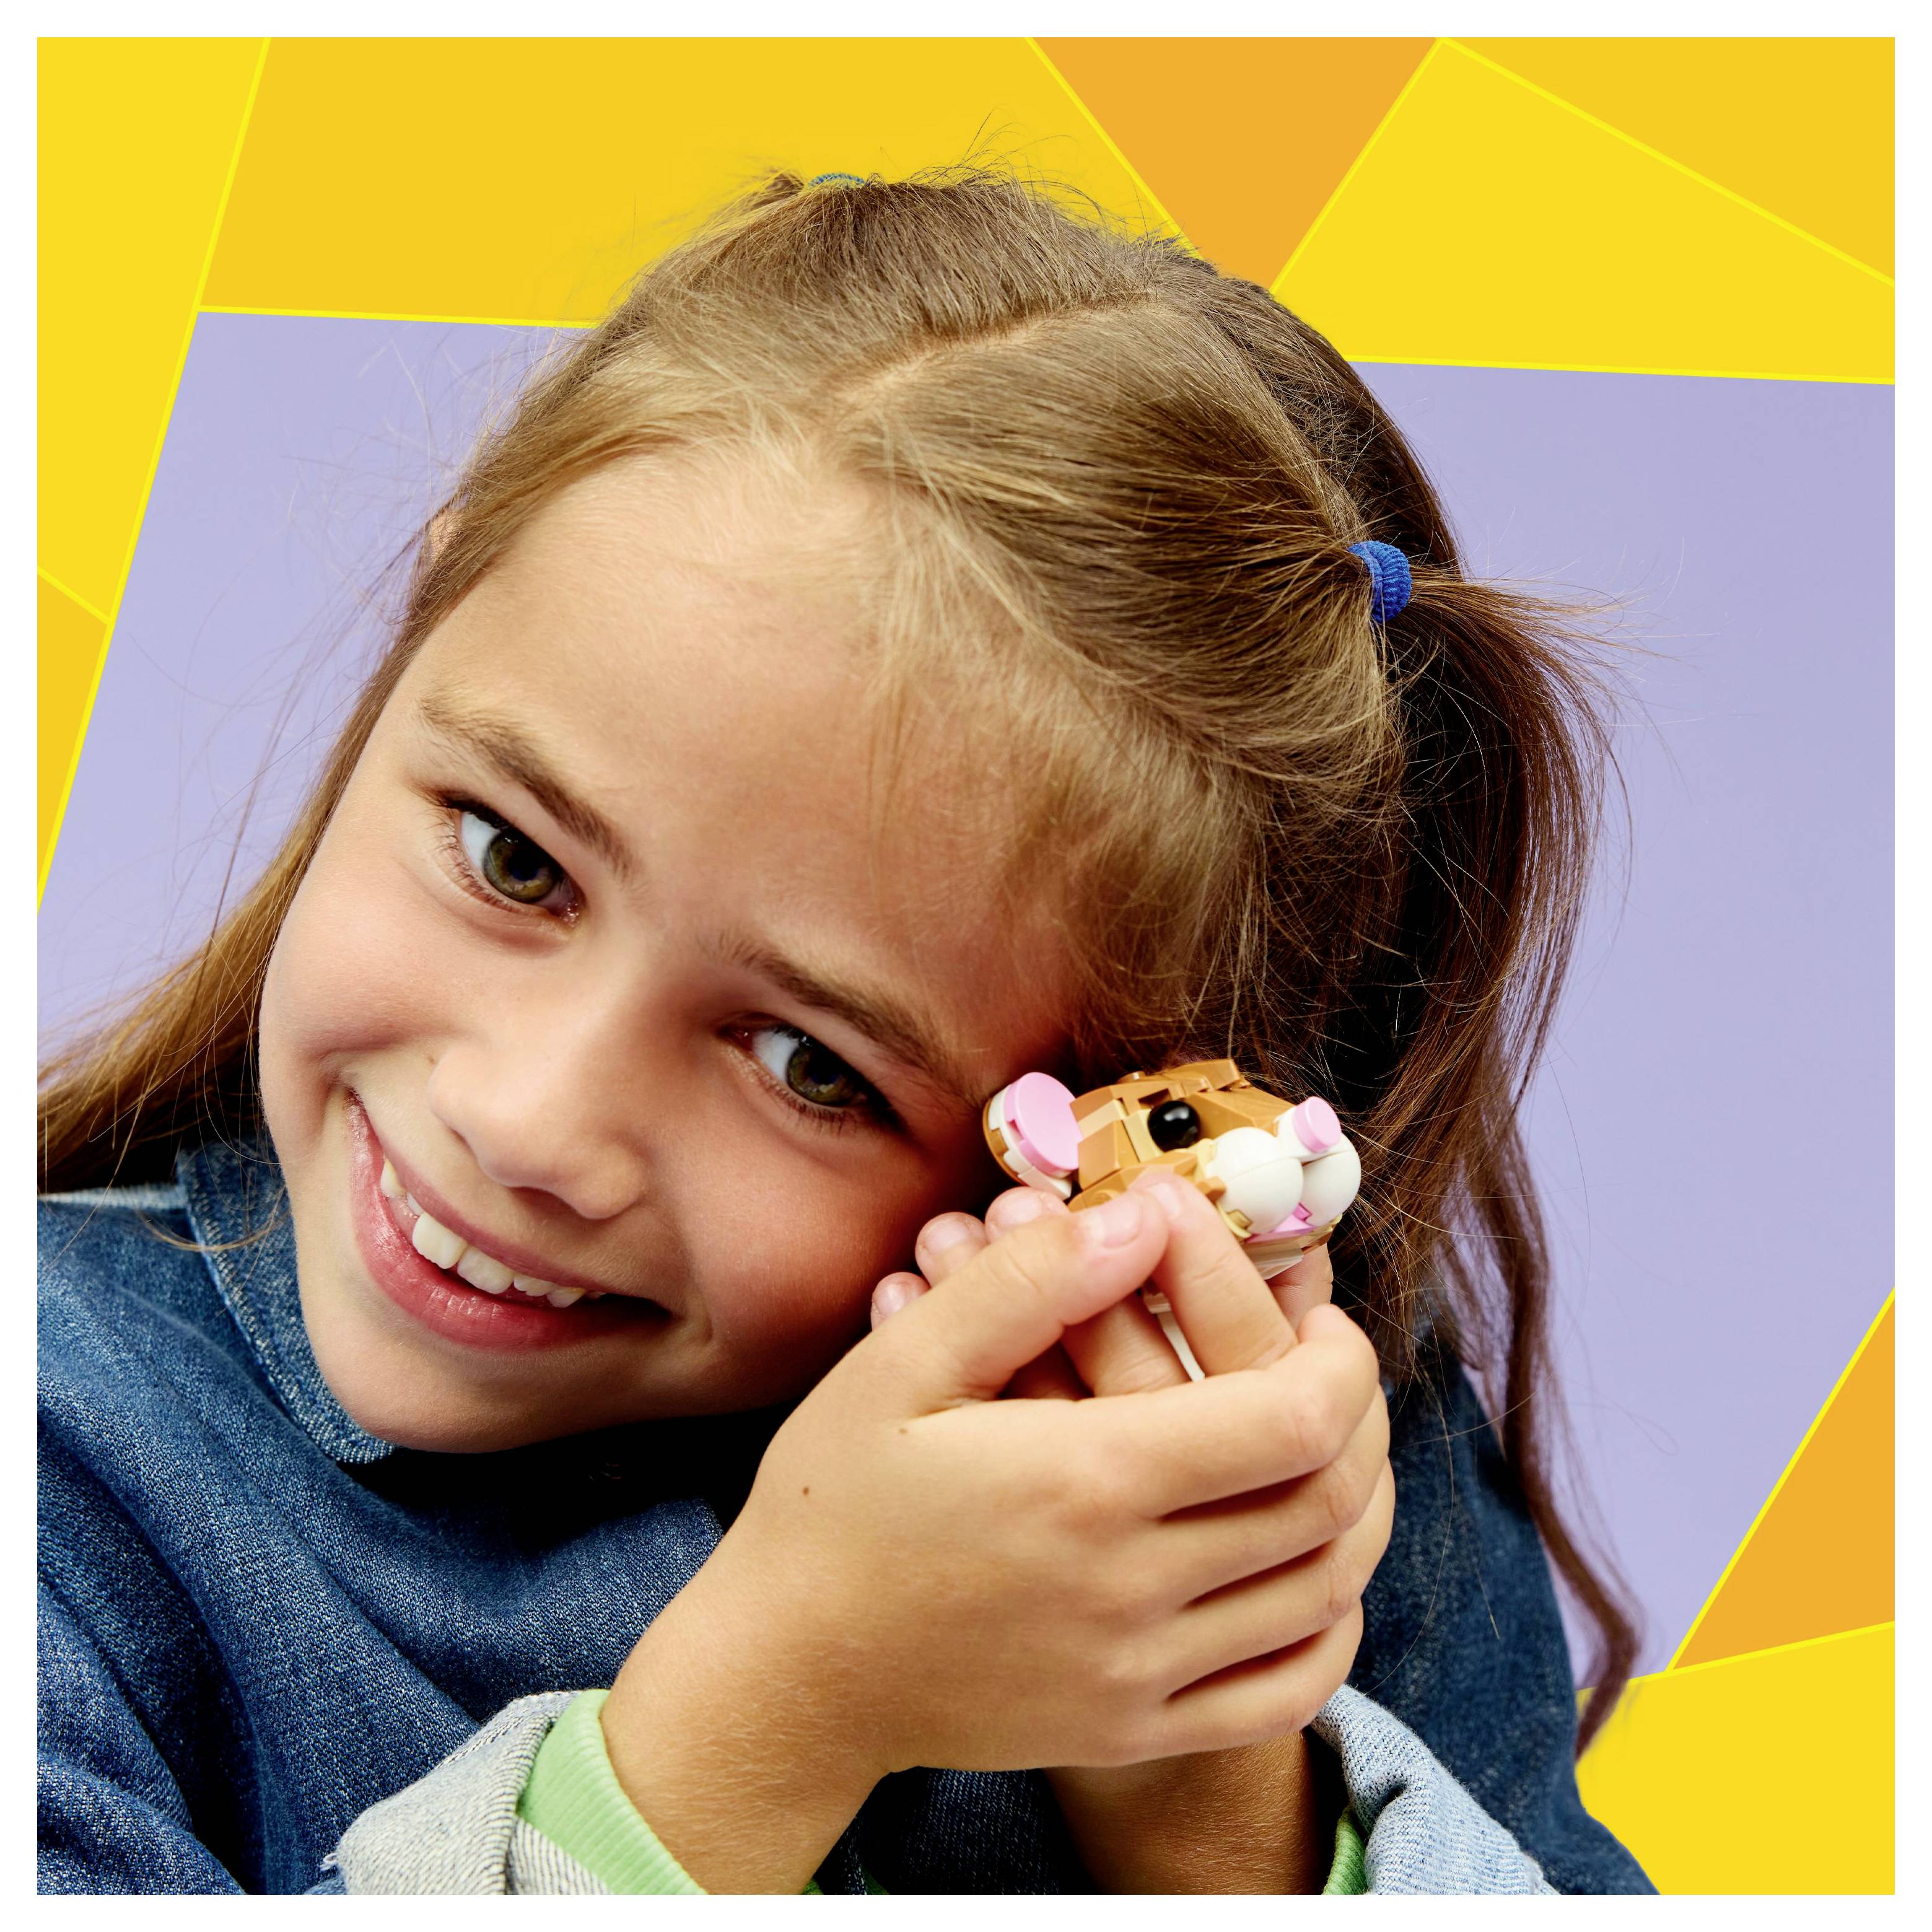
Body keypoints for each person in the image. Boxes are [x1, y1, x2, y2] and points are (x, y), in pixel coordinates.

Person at [38, 166, 1651, 1895]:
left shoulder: (1290, 1483)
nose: (525, 1121)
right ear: (427, 620)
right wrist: (777, 1707)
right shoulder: (61, 1459)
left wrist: (1214, 1796)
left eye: (813, 1065)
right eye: (515, 860)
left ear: (1114, 1129)